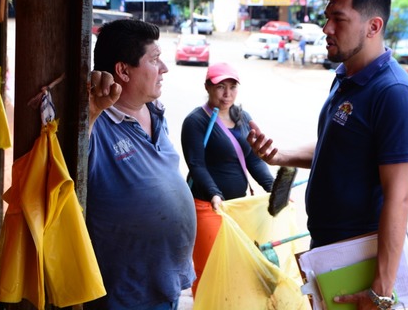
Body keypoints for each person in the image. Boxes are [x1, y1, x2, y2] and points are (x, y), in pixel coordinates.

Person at [247, 0, 408, 309]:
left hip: (360, 258)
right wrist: (279, 154)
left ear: (373, 27)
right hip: (329, 249)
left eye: (338, 19)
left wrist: (382, 291)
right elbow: (338, 149)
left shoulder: (393, 94)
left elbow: (399, 198)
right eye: (327, 17)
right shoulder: (346, 77)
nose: (327, 28)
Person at [85, 19, 197, 310]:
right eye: (155, 60)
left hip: (165, 284)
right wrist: (91, 113)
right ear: (123, 70)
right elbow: (64, 176)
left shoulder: (154, 111)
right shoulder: (96, 124)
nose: (164, 69)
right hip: (126, 294)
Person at [180, 62, 274, 298]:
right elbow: (196, 165)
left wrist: (274, 188)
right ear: (207, 87)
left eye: (232, 87)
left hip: (237, 207)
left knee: (235, 267)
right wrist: (214, 193)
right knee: (208, 268)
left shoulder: (242, 117)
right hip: (207, 206)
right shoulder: (195, 121)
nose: (227, 94)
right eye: (221, 87)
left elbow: (253, 160)